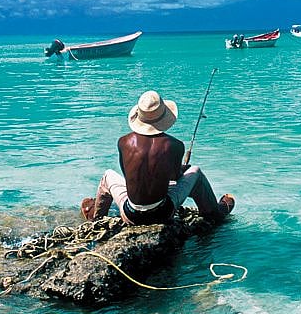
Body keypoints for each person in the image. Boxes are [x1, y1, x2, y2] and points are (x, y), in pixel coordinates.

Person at [81, 90, 235, 225]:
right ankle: (214, 213)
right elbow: (175, 177)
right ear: (164, 117)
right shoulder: (175, 145)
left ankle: (96, 217)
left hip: (130, 214)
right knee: (196, 172)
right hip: (163, 214)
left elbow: (128, 175)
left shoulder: (123, 142)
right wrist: (180, 168)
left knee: (108, 175)